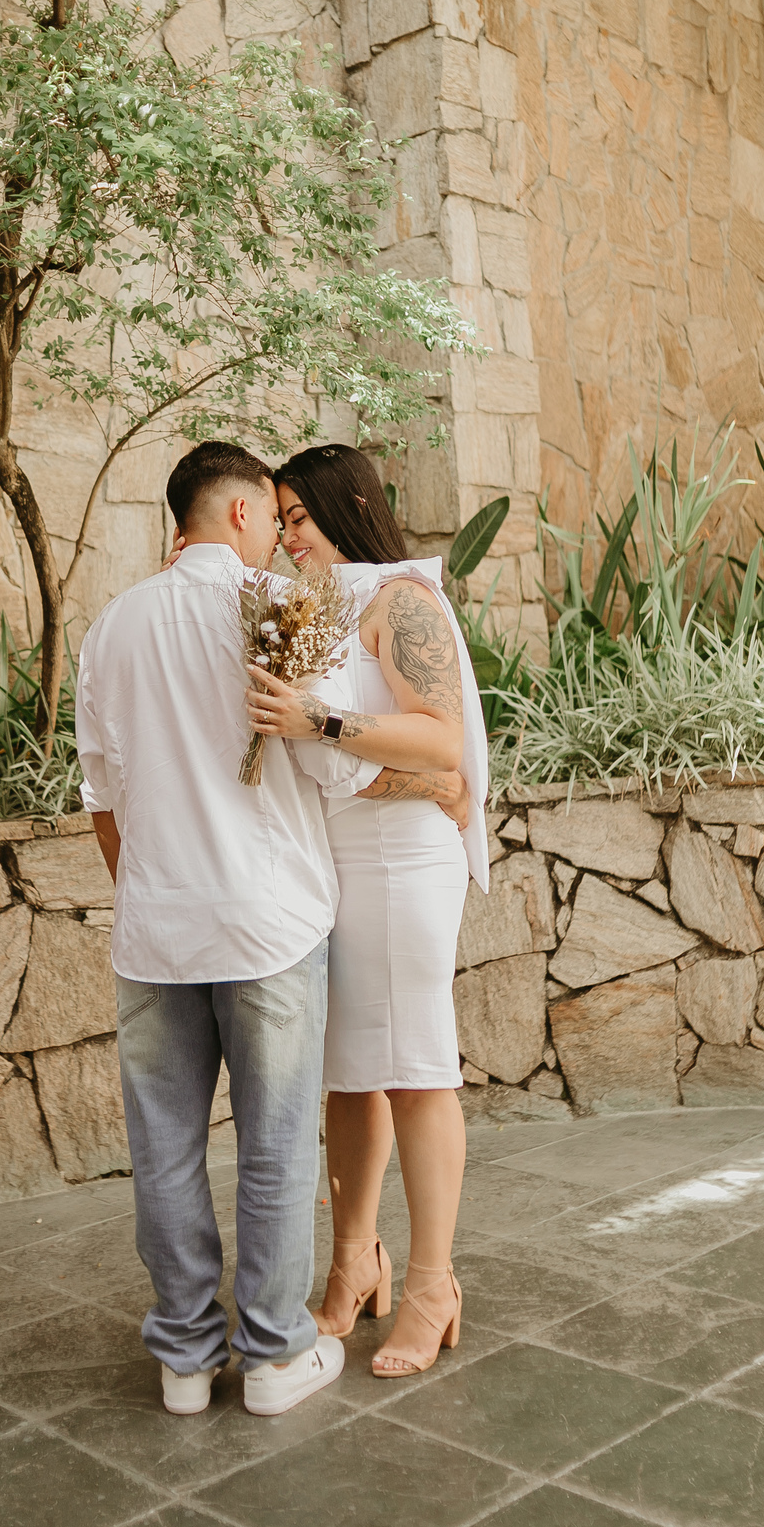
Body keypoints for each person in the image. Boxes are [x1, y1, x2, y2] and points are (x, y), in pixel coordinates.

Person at [76, 440, 357, 1418]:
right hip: (268, 922)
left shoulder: (112, 625)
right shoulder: (281, 609)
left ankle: (186, 1358)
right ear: (240, 512)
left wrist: (149, 891)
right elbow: (334, 767)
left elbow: (102, 795)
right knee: (275, 1143)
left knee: (165, 1148)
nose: (279, 536)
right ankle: (275, 1356)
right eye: (273, 517)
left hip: (156, 930)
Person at [245, 443, 489, 1378]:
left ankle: (432, 1285)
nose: (288, 537)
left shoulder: (401, 600)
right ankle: (356, 1262)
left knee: (417, 1069)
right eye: (280, 521)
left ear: (347, 508)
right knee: (347, 1075)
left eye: (299, 517)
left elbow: (442, 744)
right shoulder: (308, 609)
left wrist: (321, 723)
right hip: (332, 858)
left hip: (404, 859)